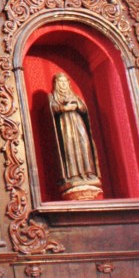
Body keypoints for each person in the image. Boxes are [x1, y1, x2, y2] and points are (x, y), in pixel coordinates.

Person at [49, 72, 103, 200]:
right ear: (56, 84)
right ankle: (73, 175)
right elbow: (53, 109)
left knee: (84, 145)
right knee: (70, 149)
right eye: (60, 82)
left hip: (78, 124)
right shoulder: (53, 97)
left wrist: (77, 105)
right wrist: (63, 108)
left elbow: (83, 108)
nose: (63, 85)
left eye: (65, 82)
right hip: (65, 126)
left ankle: (88, 173)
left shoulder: (74, 96)